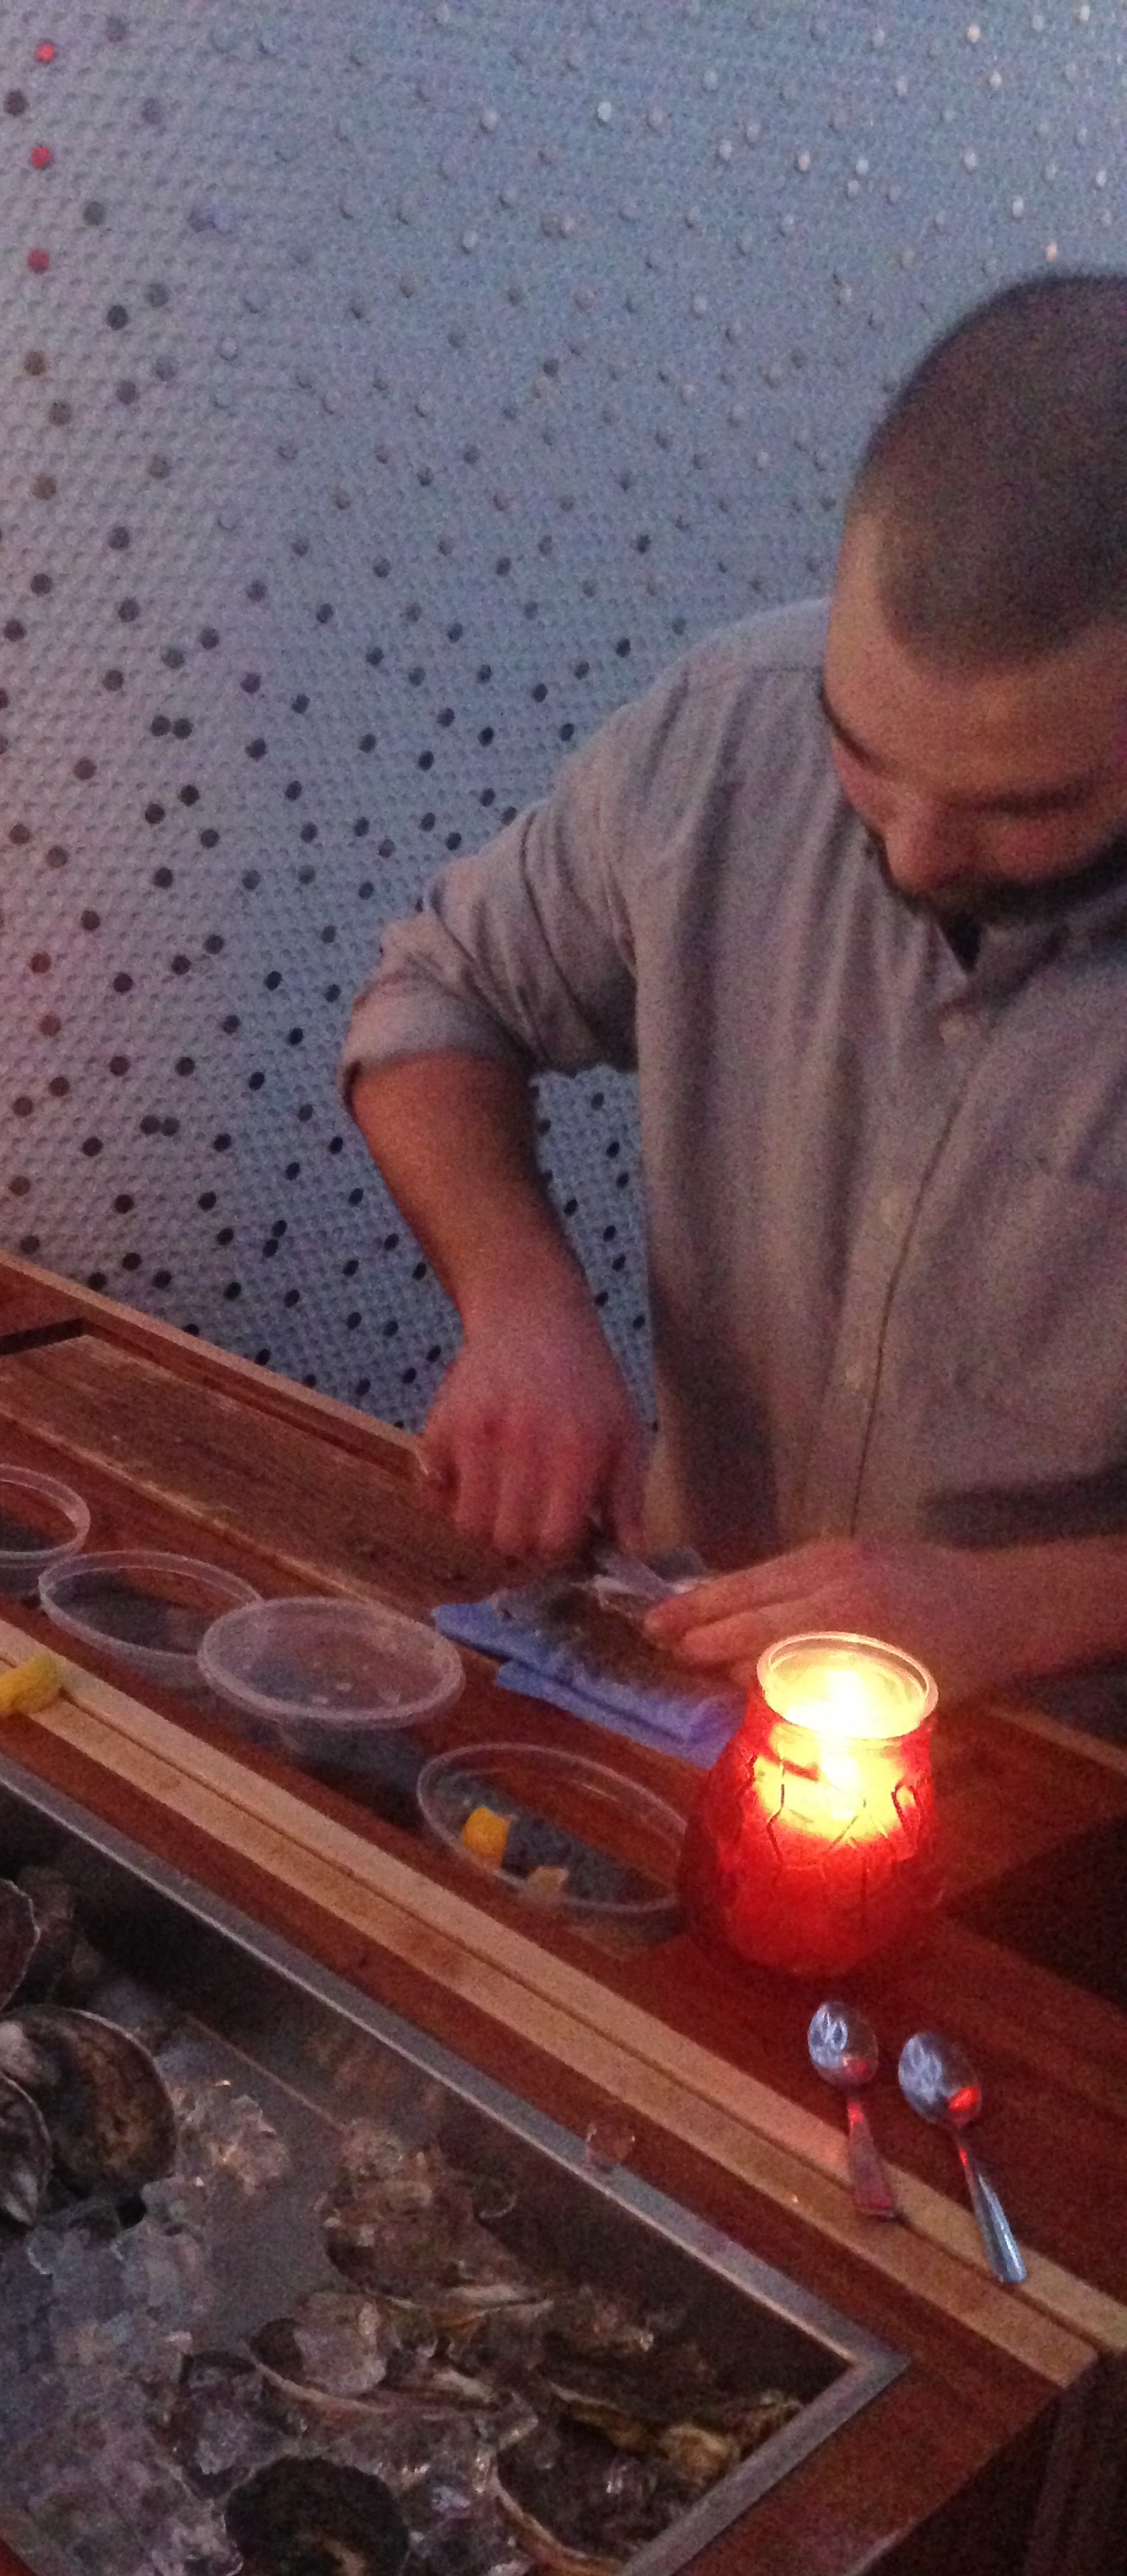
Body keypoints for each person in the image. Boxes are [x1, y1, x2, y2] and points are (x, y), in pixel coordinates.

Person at [345, 271, 1127, 1715]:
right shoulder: (728, 732)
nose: (912, 854)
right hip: (690, 1683)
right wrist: (516, 1299)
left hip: (1062, 1774)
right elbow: (437, 1002)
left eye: (1018, 808)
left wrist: (1010, 1605)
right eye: (863, 755)